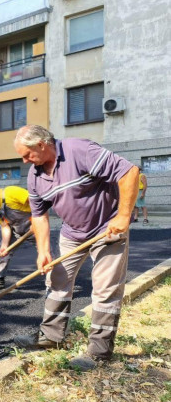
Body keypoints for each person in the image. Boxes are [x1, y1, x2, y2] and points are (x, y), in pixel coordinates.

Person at [12, 124, 139, 371]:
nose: (25, 161)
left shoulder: (78, 150)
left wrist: (123, 216)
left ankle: (98, 353)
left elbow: (129, 172)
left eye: (27, 155)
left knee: (105, 289)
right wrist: (43, 251)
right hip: (72, 233)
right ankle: (52, 337)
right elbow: (39, 216)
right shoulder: (35, 176)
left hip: (107, 229)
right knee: (57, 280)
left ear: (41, 144)